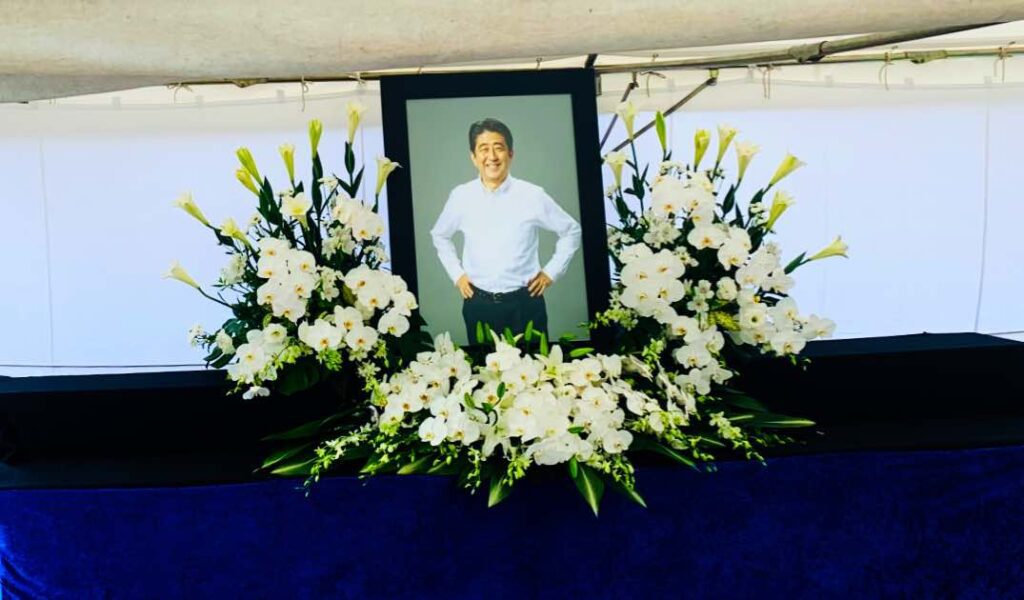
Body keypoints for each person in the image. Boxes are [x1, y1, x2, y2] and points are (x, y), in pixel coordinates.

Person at [430, 118, 581, 343]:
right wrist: (457, 275)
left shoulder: (532, 195)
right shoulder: (461, 196)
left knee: (534, 374)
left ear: (510, 154)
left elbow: (571, 230)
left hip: (525, 304)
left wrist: (550, 273)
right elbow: (440, 235)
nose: (492, 157)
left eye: (498, 148)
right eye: (484, 149)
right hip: (479, 305)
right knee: (483, 373)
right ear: (473, 157)